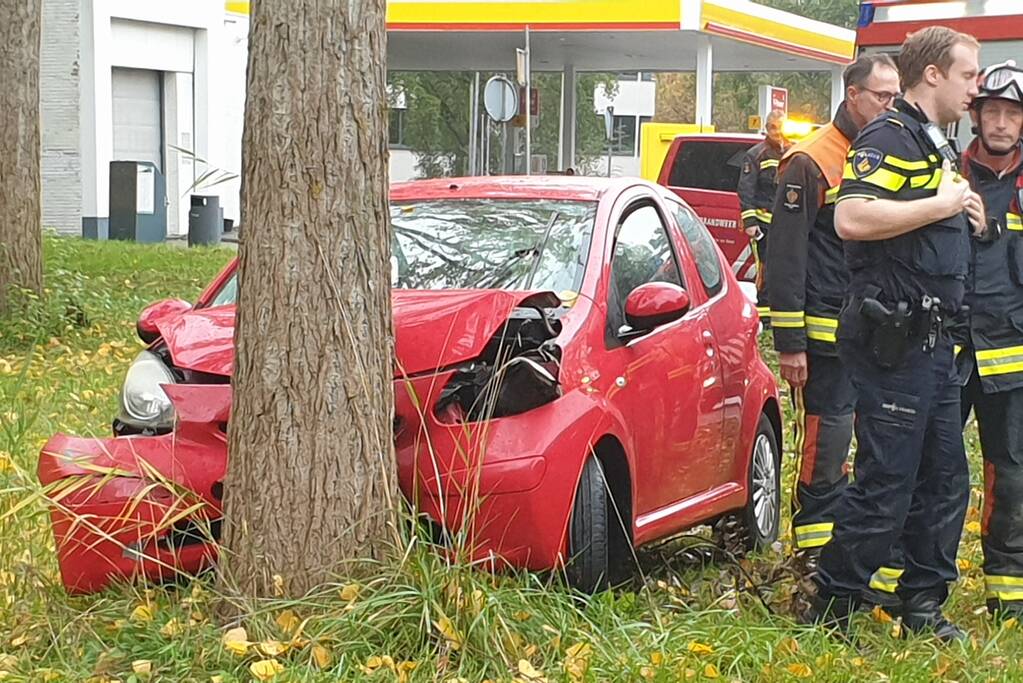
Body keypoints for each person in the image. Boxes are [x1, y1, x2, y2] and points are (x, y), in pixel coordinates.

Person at [811, 26, 983, 642]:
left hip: (933, 343)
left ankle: (922, 606)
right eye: (968, 75)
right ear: (932, 74)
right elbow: (852, 217)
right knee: (887, 481)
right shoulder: (888, 136)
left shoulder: (930, 143)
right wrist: (939, 207)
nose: (976, 88)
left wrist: (966, 214)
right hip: (897, 343)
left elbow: (923, 220)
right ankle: (832, 605)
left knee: (944, 481)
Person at [766, 55, 900, 577]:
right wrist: (790, 341)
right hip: (823, 338)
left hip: (877, 332)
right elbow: (786, 256)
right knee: (828, 444)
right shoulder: (812, 161)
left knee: (875, 443)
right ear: (852, 94)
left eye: (895, 96)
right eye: (881, 97)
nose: (891, 106)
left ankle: (856, 551)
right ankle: (812, 555)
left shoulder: (885, 153)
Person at [957, 60, 1023, 619]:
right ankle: (907, 585)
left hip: (1015, 361)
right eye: (993, 111)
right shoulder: (946, 173)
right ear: (975, 116)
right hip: (947, 354)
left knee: (1013, 473)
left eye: (1012, 114)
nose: (1001, 123)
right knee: (932, 470)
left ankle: (1009, 594)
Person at [738, 109, 789, 323]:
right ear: (767, 129)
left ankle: (783, 311)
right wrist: (750, 222)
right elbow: (746, 190)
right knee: (766, 269)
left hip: (787, 224)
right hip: (764, 225)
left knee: (788, 267)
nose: (778, 132)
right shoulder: (756, 154)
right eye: (774, 127)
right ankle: (765, 318)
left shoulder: (794, 151)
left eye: (781, 127)